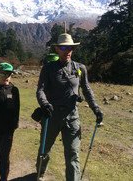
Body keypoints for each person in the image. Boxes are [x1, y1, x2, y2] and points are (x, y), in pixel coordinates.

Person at [34, 33, 103, 181]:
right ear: (57, 49)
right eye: (64, 47)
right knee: (44, 150)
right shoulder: (48, 68)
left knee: (73, 154)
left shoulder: (80, 68)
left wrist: (95, 108)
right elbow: (40, 90)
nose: (68, 50)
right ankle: (40, 173)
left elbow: (87, 89)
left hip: (72, 118)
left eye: (70, 47)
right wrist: (44, 104)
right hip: (51, 116)